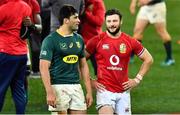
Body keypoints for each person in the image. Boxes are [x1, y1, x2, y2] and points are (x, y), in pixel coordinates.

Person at [85, 9, 153, 114]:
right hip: (104, 91)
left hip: (123, 92)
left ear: (121, 21)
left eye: (115, 21)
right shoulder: (96, 41)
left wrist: (137, 80)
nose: (112, 24)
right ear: (105, 22)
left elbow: (148, 59)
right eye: (109, 21)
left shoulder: (130, 41)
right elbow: (79, 61)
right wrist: (90, 80)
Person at [39, 5, 93, 114]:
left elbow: (83, 66)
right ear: (66, 20)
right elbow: (43, 67)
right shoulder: (50, 40)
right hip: (58, 87)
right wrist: (49, 91)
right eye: (75, 18)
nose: (79, 20)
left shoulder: (79, 39)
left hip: (76, 86)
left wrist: (89, 91)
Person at [0, 0, 31, 114]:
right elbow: (27, 28)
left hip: (6, 52)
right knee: (19, 90)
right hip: (22, 54)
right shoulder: (26, 7)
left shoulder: (3, 9)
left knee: (1, 88)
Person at [129, 0, 175, 66]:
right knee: (137, 31)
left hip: (157, 7)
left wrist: (146, 1)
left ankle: (170, 59)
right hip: (145, 8)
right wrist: (133, 3)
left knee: (161, 32)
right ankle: (131, 57)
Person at [79, 0, 105, 75]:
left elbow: (99, 21)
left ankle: (101, 84)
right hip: (81, 41)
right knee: (74, 66)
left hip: (94, 42)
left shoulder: (97, 3)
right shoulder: (80, 2)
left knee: (99, 69)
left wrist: (86, 13)